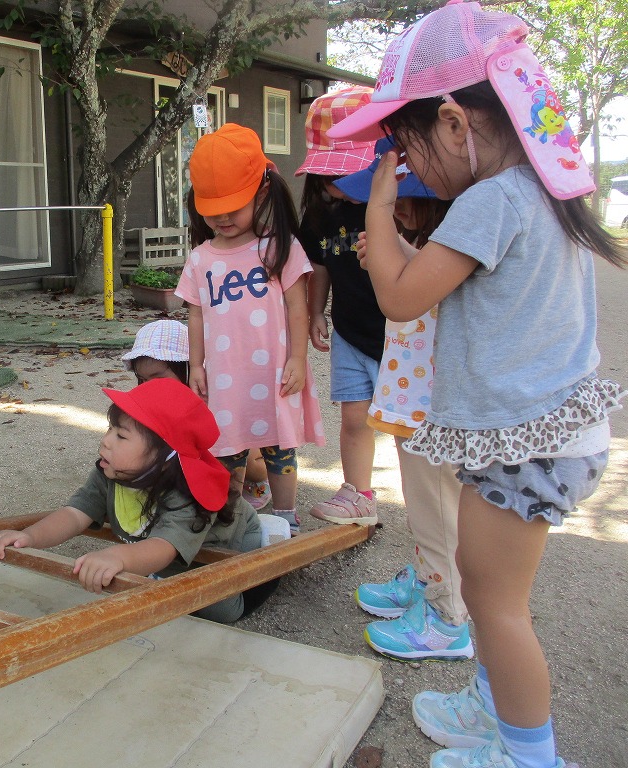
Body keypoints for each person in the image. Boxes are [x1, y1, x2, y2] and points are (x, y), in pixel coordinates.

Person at [329, 3, 627, 766]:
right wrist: (399, 243)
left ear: (456, 123)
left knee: (497, 607)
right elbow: (435, 289)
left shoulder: (493, 199)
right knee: (483, 584)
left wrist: (381, 208)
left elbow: (400, 298)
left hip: (525, 443)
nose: (406, 166)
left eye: (406, 148)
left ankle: (528, 756)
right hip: (533, 435)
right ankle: (492, 710)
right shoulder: (537, 189)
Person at [0, 378, 280, 623]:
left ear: (165, 457)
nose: (106, 440)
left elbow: (162, 547)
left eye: (121, 436)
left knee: (221, 612)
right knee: (168, 588)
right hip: (174, 551)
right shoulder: (109, 473)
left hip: (232, 541)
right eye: (110, 429)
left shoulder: (189, 494)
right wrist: (29, 536)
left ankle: (273, 552)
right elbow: (73, 514)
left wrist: (118, 557)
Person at [334, 137, 471, 662]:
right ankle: (427, 580)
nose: (394, 212)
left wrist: (399, 254)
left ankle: (446, 617)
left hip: (432, 411)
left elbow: (440, 299)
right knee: (425, 508)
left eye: (398, 199)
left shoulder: (451, 246)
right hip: (413, 406)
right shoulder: (434, 245)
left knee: (438, 511)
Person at [176, 123, 325, 535]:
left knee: (280, 446)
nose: (222, 217)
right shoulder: (201, 258)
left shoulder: (279, 247)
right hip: (225, 375)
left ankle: (286, 514)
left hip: (274, 371)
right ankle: (232, 517)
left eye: (233, 206)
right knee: (227, 447)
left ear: (262, 194)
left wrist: (298, 358)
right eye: (212, 208)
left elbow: (297, 306)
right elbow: (196, 315)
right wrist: (196, 365)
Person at [295, 87, 383, 528]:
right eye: (334, 177)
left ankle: (433, 500)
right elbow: (320, 266)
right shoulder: (322, 214)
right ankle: (359, 493)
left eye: (353, 175)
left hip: (399, 333)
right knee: (354, 417)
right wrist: (316, 312)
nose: (344, 188)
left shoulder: (398, 208)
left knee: (409, 426)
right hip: (349, 330)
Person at [122, 319, 272, 510]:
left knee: (248, 463)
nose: (149, 386)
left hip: (224, 448)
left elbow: (223, 440)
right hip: (190, 458)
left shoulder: (208, 397)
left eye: (158, 377)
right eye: (142, 379)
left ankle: (258, 481)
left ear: (185, 368)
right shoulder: (145, 399)